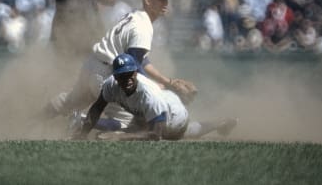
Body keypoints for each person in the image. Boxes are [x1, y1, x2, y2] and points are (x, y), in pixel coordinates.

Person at [44, 0, 197, 128]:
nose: (165, 3)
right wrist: (155, 87)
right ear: (148, 0)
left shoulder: (135, 16)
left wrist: (167, 81)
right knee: (130, 121)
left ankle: (33, 120)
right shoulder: (143, 28)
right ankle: (81, 121)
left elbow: (140, 58)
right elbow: (134, 65)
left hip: (92, 65)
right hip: (106, 75)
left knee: (69, 102)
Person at [73, 53, 237, 141]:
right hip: (157, 105)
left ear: (136, 73)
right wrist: (82, 134)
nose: (127, 78)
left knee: (179, 134)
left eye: (130, 74)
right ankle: (221, 122)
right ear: (115, 77)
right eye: (122, 75)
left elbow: (155, 135)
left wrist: (120, 137)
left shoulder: (148, 94)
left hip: (174, 115)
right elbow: (96, 108)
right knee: (135, 126)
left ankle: (221, 123)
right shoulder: (110, 85)